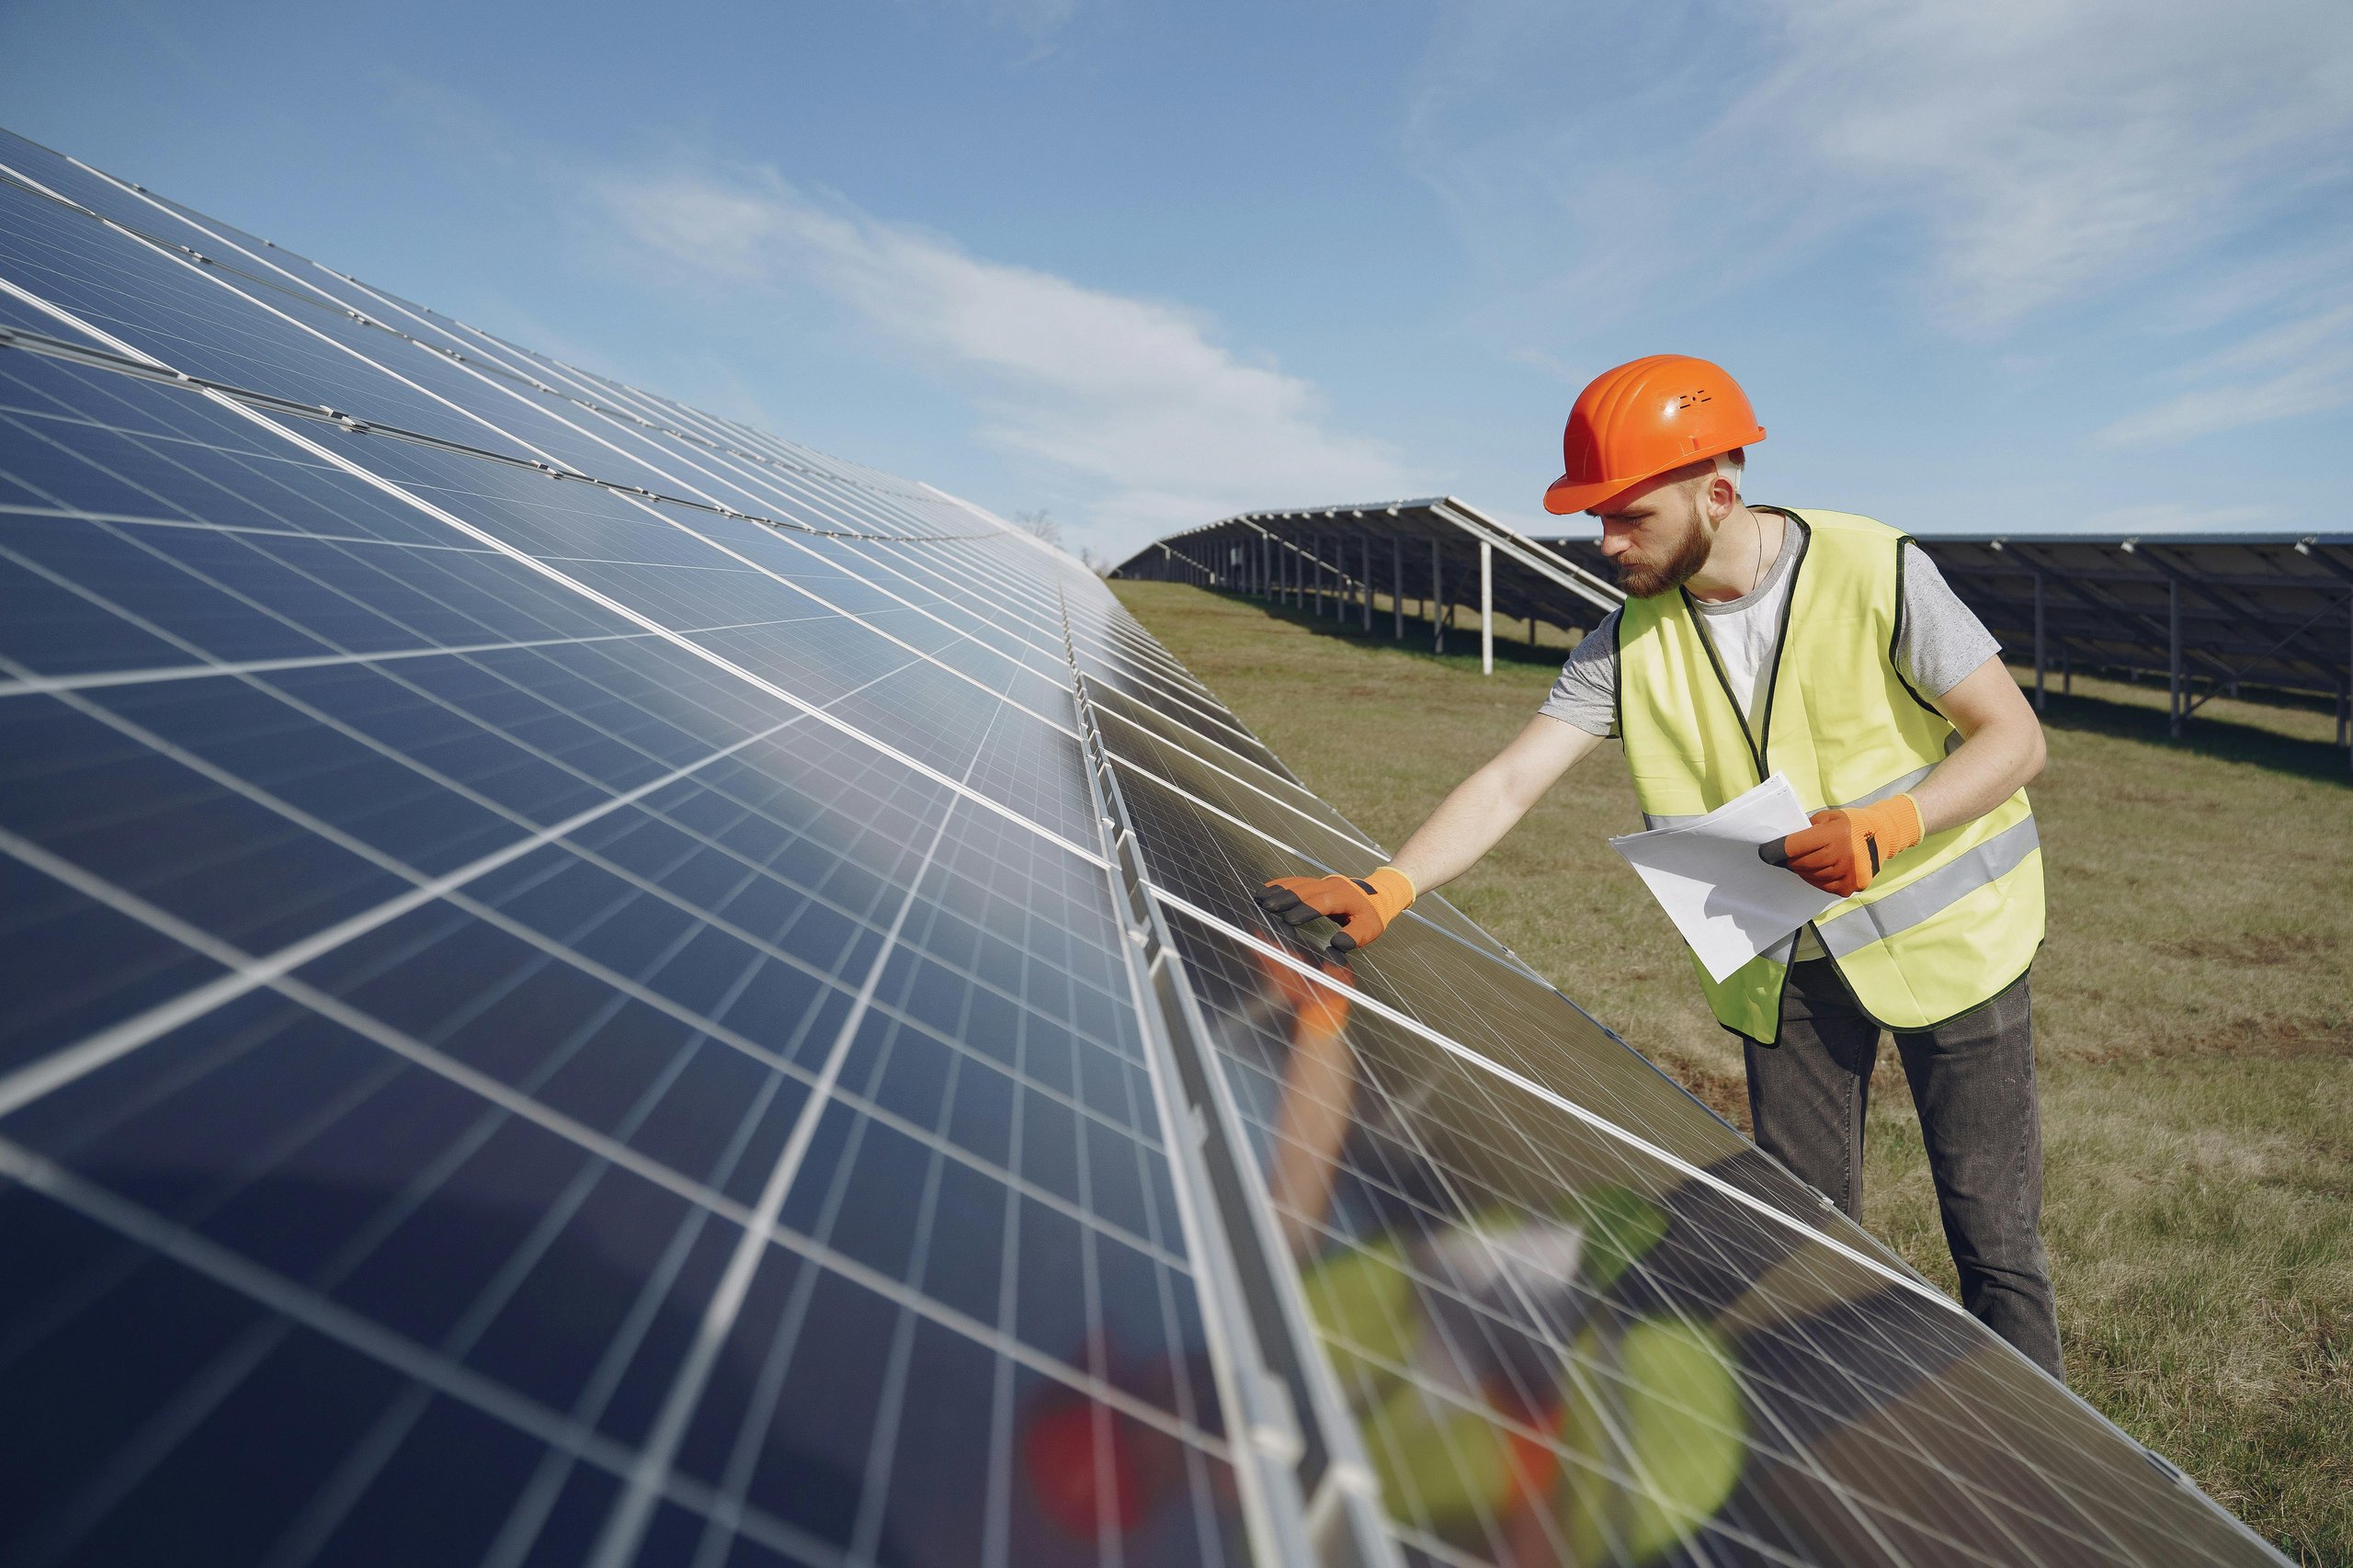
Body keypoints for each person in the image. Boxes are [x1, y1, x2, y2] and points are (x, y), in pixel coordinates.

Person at [1254, 355, 2063, 1378]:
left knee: (1995, 1241)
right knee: (1799, 1229)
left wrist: (1888, 821)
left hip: (1955, 943)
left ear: (1715, 493)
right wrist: (1391, 883)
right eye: (1595, 517)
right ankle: (1828, 1453)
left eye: (1627, 515)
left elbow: (2013, 737)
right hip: (1784, 963)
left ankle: (2052, 1474)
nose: (1604, 541)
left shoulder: (1872, 567)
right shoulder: (1624, 639)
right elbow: (1512, 780)